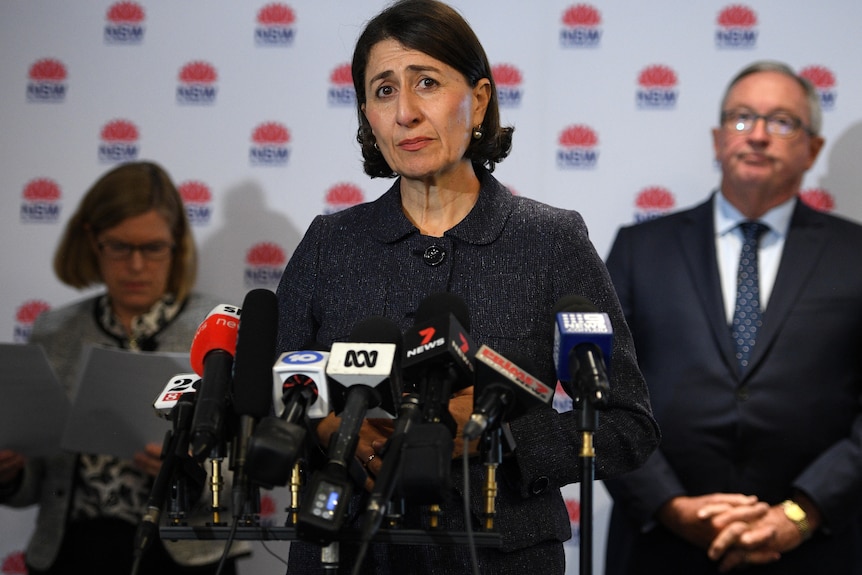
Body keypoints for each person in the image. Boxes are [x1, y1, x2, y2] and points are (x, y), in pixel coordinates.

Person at [274, 1, 659, 574]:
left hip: (503, 556)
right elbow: (270, 391)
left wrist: (490, 435)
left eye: (426, 82)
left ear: (477, 100)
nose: (405, 112)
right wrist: (336, 428)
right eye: (383, 91)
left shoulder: (551, 239)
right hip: (346, 550)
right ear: (366, 114)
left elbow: (626, 424)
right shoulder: (331, 243)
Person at [603, 60, 862, 574]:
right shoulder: (640, 249)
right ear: (718, 138)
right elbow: (603, 392)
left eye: (783, 121)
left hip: (816, 547)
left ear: (813, 148)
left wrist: (800, 514)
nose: (759, 135)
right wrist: (671, 507)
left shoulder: (854, 253)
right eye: (742, 118)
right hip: (660, 546)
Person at [0, 161, 249, 574]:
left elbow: (250, 470)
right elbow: (36, 483)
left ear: (177, 246)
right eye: (118, 246)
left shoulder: (220, 329)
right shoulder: (54, 331)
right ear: (91, 242)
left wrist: (191, 473)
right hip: (72, 552)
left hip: (184, 555)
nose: (136, 266)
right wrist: (9, 475)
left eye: (152, 248)